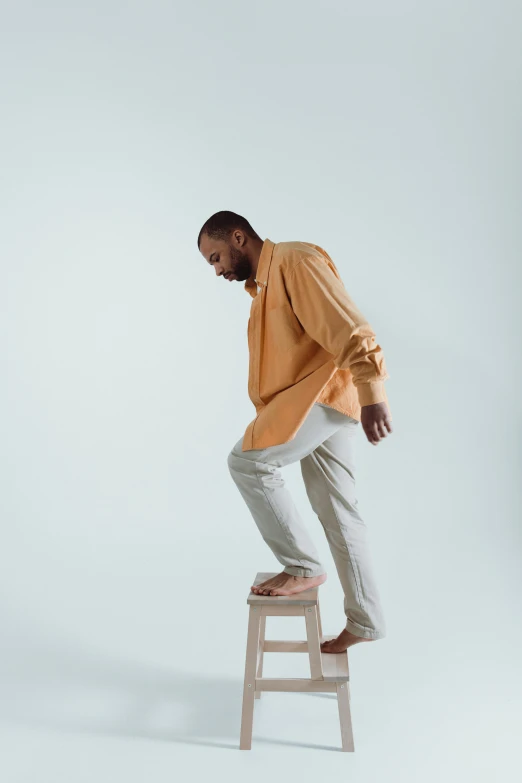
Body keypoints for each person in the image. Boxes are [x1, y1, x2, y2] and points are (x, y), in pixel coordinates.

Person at [198, 210, 393, 653]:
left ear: (238, 236)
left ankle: (302, 566)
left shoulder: (294, 261)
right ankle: (366, 620)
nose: (218, 270)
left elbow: (349, 326)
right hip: (319, 399)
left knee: (247, 462)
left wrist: (372, 391)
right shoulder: (264, 287)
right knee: (339, 512)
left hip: (322, 395)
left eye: (216, 257)